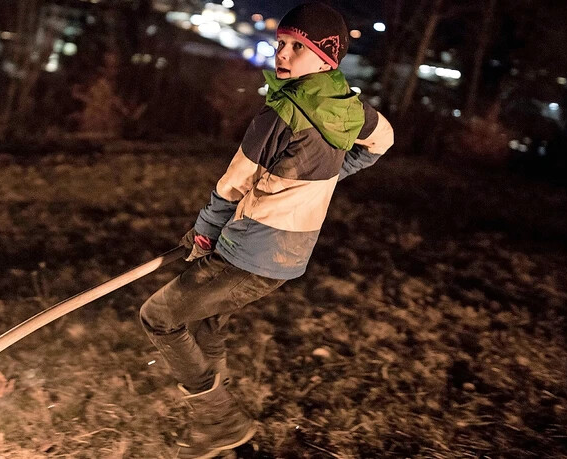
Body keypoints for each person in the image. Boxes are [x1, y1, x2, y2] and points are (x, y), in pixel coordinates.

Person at [139, 2, 394, 458]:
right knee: (207, 321)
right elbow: (383, 140)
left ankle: (219, 420)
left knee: (158, 317)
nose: (283, 53)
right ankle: (224, 434)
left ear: (326, 57)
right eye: (281, 43)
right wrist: (329, 175)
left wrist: (203, 234)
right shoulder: (350, 107)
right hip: (287, 256)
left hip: (249, 252)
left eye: (298, 47)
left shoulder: (281, 113)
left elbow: (232, 185)